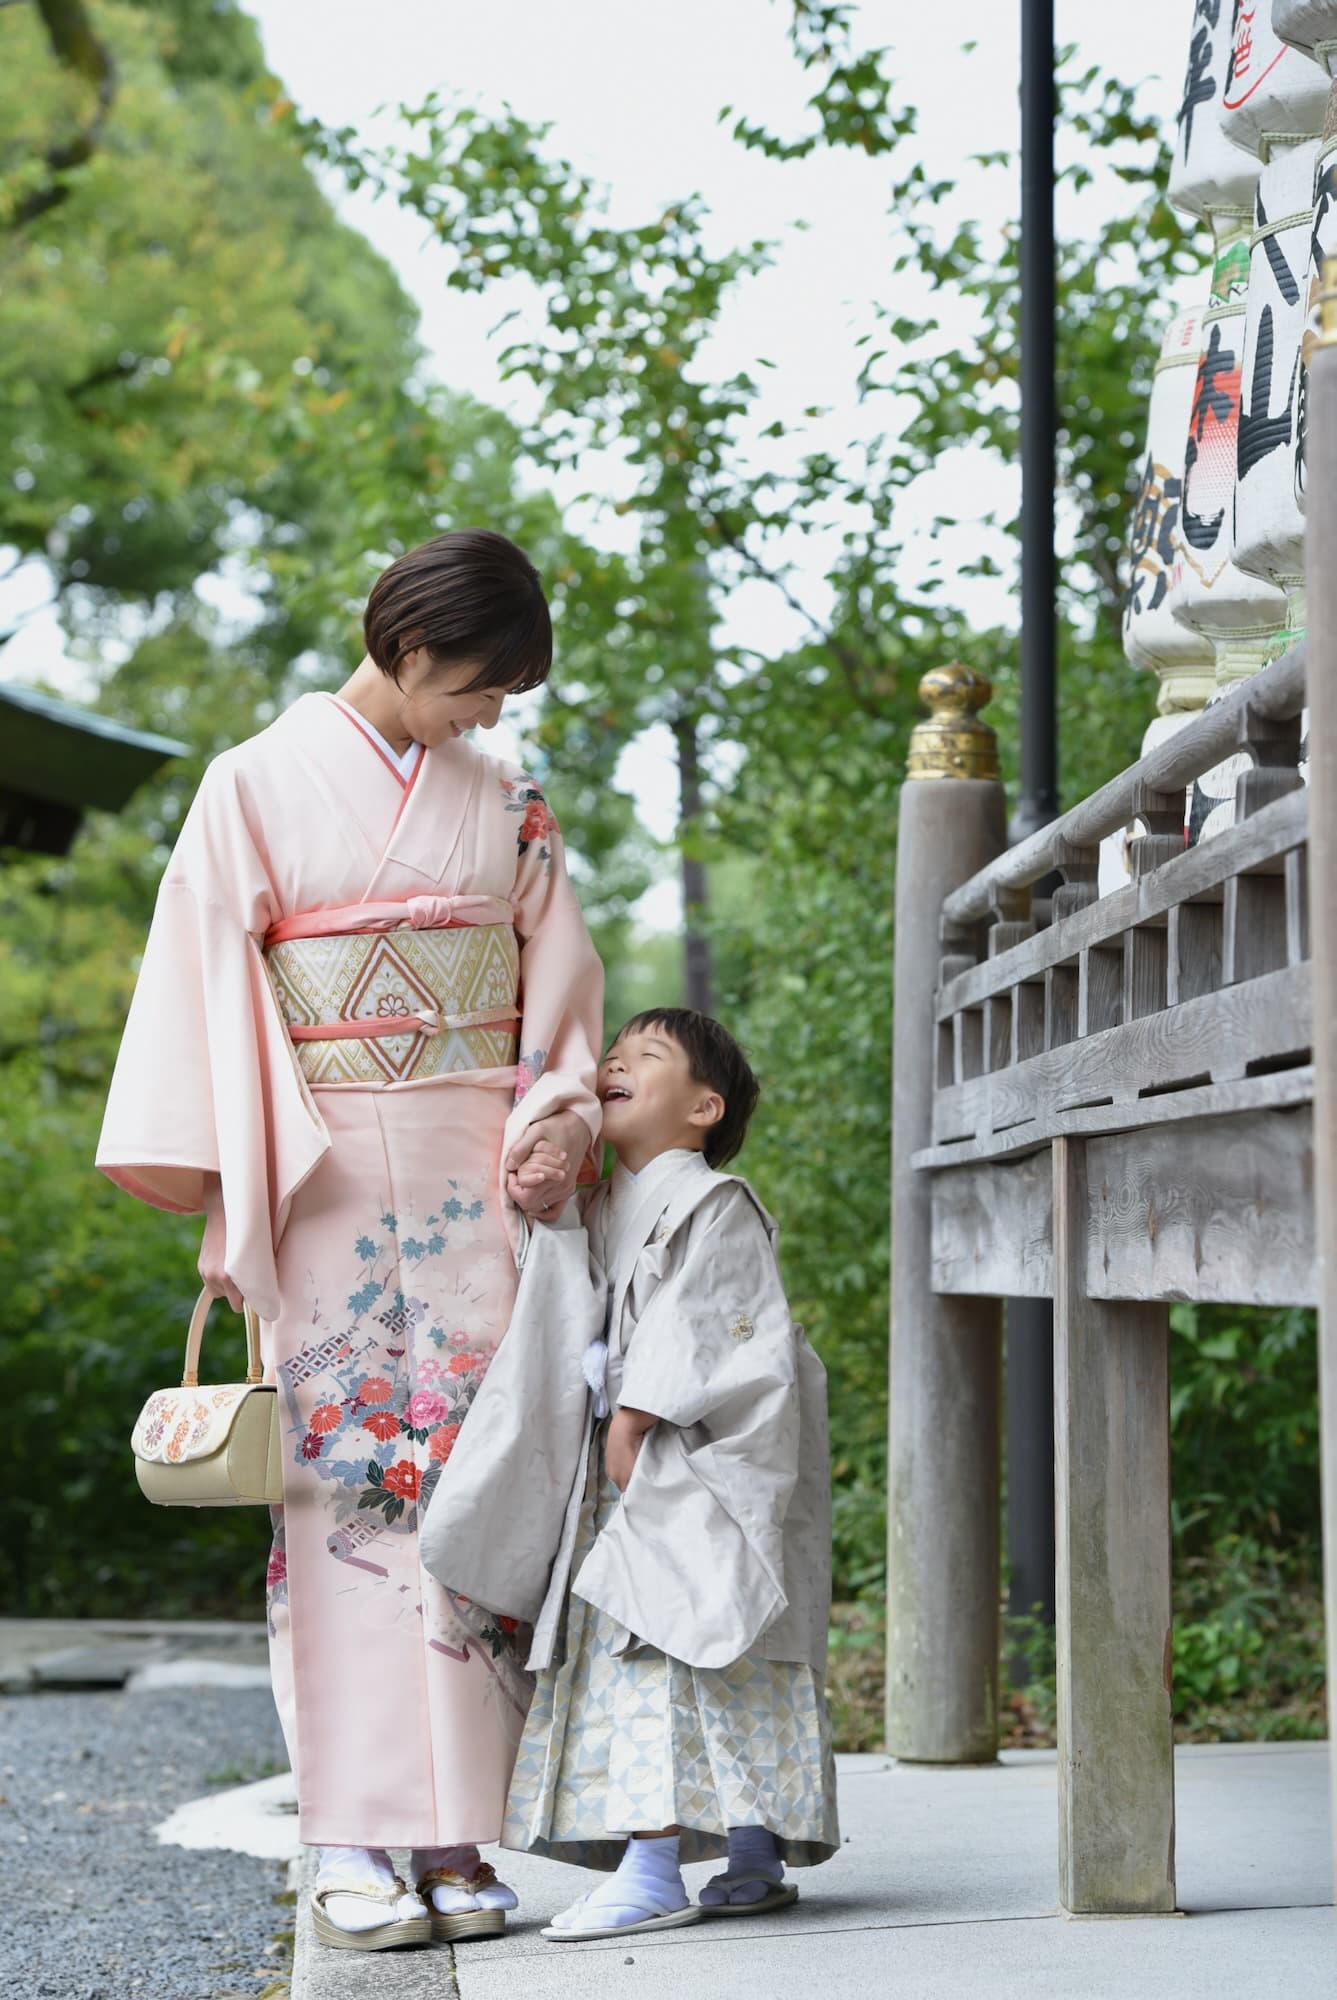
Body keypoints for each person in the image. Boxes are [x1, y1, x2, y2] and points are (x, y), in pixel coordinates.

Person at [97, 529, 604, 1951]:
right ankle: (349, 1837)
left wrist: (556, 1117)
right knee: (341, 1502)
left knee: (474, 1489)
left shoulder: (505, 799)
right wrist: (237, 1178)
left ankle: (456, 1836)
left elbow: (557, 988)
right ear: (409, 648)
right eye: (481, 685)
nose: (494, 715)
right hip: (316, 1174)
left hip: (474, 1177)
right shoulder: (251, 784)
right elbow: (206, 977)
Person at [422, 1008, 839, 1941]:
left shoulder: (715, 1201)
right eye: (610, 1057)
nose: (614, 1065)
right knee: (688, 1647)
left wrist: (643, 1408)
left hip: (690, 1460)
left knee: (667, 1648)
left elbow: (719, 1323)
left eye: (645, 1058)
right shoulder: (609, 1203)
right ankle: (753, 1853)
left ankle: (654, 1870)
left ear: (703, 1106)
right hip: (628, 1464)